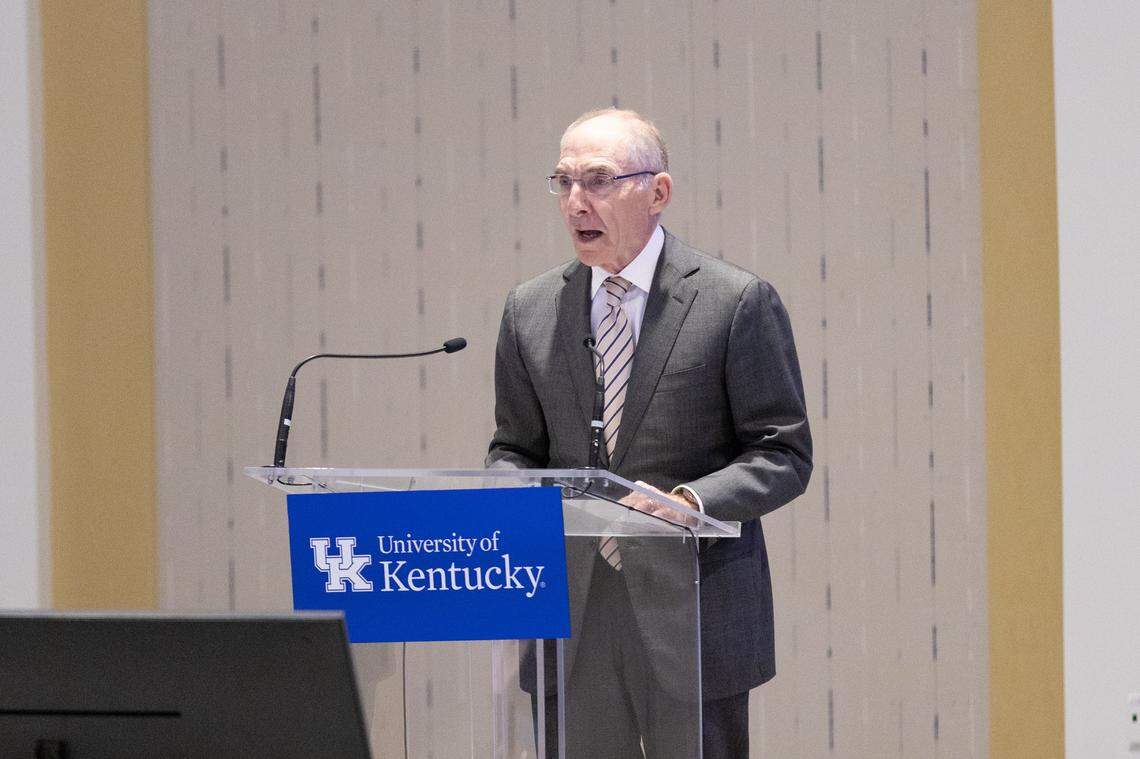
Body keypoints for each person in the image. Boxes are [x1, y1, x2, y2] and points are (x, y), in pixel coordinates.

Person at [486, 108, 813, 759]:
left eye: (599, 181)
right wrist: (512, 493)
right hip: (570, 622)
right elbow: (513, 448)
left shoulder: (733, 301)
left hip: (692, 619)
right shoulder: (531, 309)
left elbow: (783, 452)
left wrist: (689, 503)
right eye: (565, 182)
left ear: (658, 192)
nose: (577, 201)